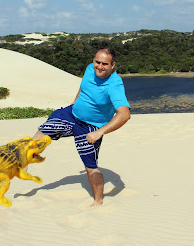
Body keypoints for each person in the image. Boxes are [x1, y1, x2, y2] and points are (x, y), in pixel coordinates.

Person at [32, 47, 131, 206]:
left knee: (90, 168)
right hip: (72, 114)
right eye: (97, 62)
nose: (99, 66)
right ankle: (28, 158)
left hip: (91, 127)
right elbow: (83, 86)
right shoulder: (90, 69)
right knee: (45, 129)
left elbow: (124, 114)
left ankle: (98, 201)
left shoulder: (114, 85)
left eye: (104, 64)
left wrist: (100, 132)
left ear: (113, 65)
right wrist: (74, 102)